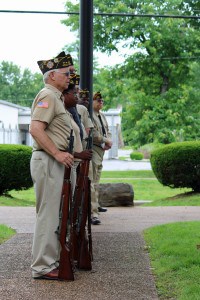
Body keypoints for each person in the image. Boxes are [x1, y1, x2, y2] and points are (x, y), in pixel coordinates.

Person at [29, 51, 74, 280]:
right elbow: (35, 129)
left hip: (52, 161)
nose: (70, 76)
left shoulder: (56, 97)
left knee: (54, 214)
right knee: (48, 214)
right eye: (67, 73)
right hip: (47, 160)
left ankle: (51, 260)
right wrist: (57, 153)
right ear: (52, 75)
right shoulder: (47, 94)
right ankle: (43, 266)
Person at [62, 74, 92, 194]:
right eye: (75, 93)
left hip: (75, 159)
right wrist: (78, 154)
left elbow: (82, 132)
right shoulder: (63, 108)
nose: (77, 97)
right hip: (69, 161)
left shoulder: (71, 110)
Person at [91, 92, 113, 225]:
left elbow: (107, 131)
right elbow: (93, 133)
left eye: (102, 100)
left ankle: (96, 205)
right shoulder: (90, 115)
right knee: (92, 183)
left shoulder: (102, 115)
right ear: (92, 102)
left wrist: (108, 141)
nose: (101, 102)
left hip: (100, 151)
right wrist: (105, 140)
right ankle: (93, 213)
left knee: (97, 181)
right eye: (98, 100)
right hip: (93, 149)